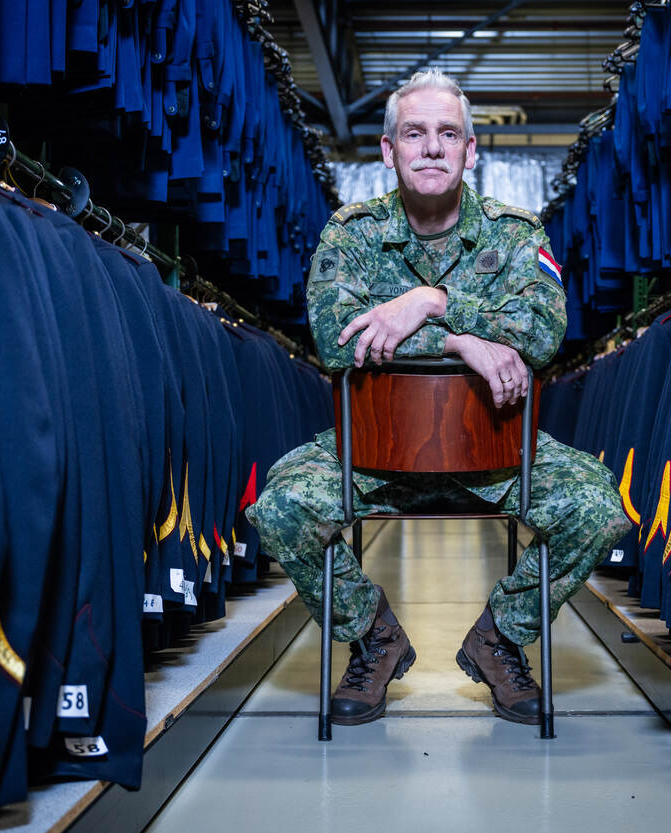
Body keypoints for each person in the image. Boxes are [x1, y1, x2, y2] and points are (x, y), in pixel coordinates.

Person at [247, 68, 630, 726]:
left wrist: (431, 303)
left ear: (470, 150)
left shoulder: (515, 233)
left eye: (448, 134)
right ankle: (374, 635)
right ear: (388, 149)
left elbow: (543, 332)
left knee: (596, 507)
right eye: (414, 133)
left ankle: (499, 637)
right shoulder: (352, 233)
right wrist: (465, 343)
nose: (431, 147)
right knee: (280, 507)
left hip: (495, 452)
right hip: (375, 453)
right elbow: (337, 341)